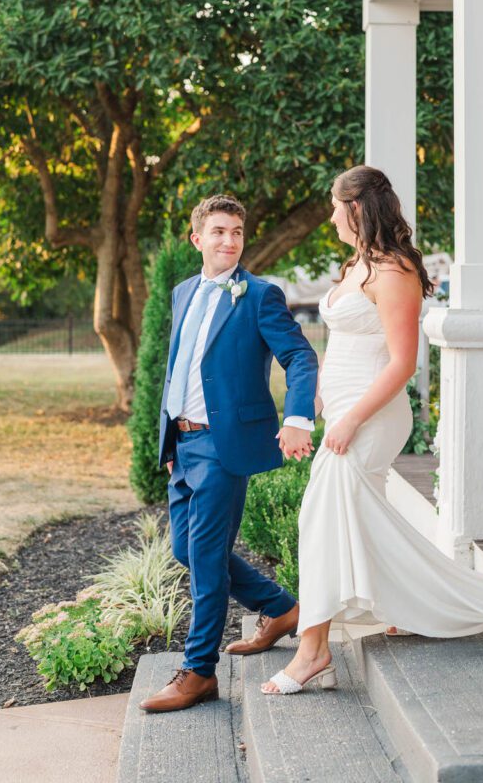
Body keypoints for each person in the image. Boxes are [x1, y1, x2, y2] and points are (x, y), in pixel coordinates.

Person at [261, 166, 483, 696]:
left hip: (372, 417)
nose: (330, 215)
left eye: (336, 205)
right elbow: (347, 345)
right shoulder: (357, 263)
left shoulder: (395, 271)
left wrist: (354, 416)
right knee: (347, 517)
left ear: (356, 207)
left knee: (321, 517)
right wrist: (322, 400)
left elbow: (402, 363)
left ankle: (313, 652)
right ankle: (409, 604)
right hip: (343, 412)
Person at [140, 194, 318, 713]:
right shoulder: (183, 293)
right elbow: (178, 367)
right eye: (218, 231)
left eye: (237, 232)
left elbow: (299, 357)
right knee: (185, 552)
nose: (230, 241)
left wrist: (297, 418)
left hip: (224, 447)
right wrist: (170, 436)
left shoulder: (259, 295)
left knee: (207, 561)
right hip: (184, 442)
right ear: (197, 239)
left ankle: (198, 673)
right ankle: (282, 609)